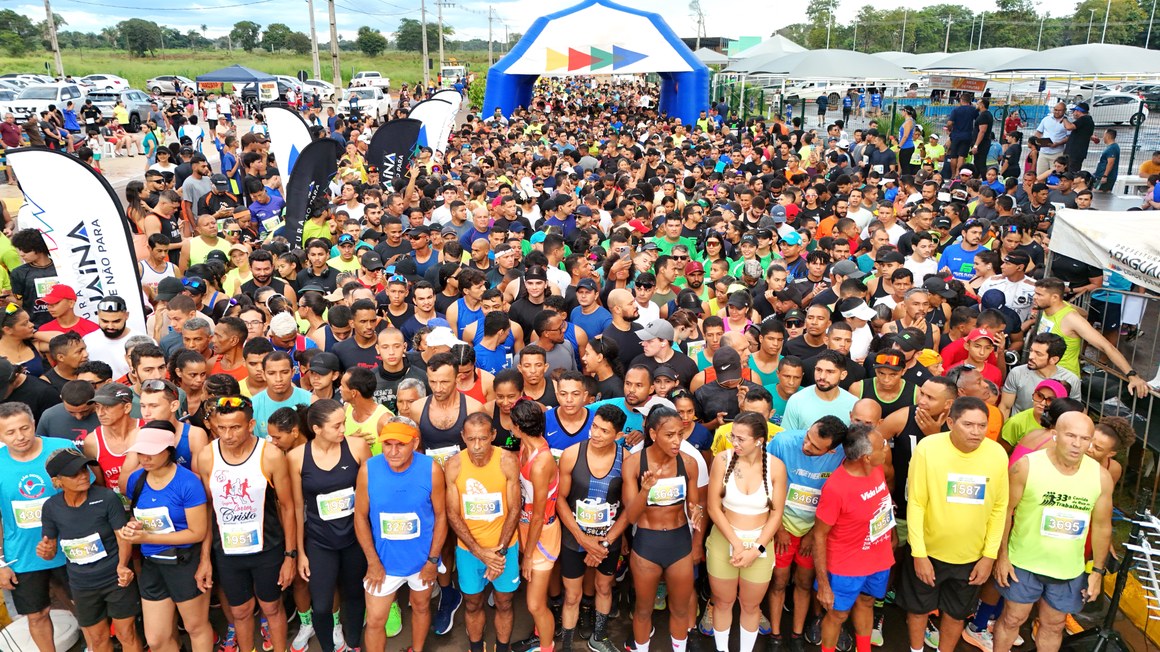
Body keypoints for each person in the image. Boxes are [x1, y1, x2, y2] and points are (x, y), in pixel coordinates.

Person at [992, 411, 1114, 652]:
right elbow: (1004, 511)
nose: (1077, 444)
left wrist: (1097, 571)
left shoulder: (1101, 477)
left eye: (1084, 438)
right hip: (1023, 562)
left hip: (1068, 567)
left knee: (1055, 624)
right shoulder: (1026, 467)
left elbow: (1102, 526)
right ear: (1055, 435)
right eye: (1070, 436)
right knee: (1012, 619)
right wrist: (1002, 556)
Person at [898, 397, 1009, 652]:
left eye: (982, 426)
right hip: (928, 552)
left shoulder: (997, 454)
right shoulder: (928, 448)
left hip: (971, 557)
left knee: (956, 614)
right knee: (918, 609)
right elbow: (916, 503)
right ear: (950, 422)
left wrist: (989, 556)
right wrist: (919, 553)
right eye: (968, 424)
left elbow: (998, 508)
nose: (976, 432)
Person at [197, 395, 298, 652]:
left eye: (235, 427)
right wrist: (205, 558)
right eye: (222, 428)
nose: (228, 435)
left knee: (271, 607)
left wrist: (290, 555)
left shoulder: (271, 454)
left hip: (267, 549)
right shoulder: (207, 456)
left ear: (251, 424)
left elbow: (287, 507)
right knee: (240, 611)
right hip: (228, 552)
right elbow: (208, 509)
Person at [355, 416, 446, 652]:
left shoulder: (431, 469)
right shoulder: (368, 469)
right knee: (375, 620)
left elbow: (441, 516)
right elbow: (360, 517)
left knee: (421, 607)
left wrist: (433, 560)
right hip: (382, 565)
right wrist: (373, 561)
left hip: (422, 562)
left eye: (401, 444)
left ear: (414, 444)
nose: (393, 451)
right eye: (388, 444)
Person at [119, 426, 214, 652]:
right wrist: (134, 527)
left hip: (184, 561)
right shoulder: (136, 480)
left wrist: (146, 537)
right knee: (156, 638)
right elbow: (136, 513)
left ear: (169, 450)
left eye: (151, 452)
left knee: (195, 627)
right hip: (152, 563)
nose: (145, 458)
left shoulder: (188, 482)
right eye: (140, 453)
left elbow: (197, 532)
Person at [39, 446, 143, 652]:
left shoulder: (106, 498)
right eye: (74, 474)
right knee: (97, 639)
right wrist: (45, 551)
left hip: (115, 580)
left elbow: (122, 536)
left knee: (126, 634)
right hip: (81, 585)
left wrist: (123, 566)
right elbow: (49, 551)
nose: (83, 476)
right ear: (57, 481)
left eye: (84, 470)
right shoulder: (51, 507)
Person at [288, 400, 371, 652]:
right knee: (322, 605)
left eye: (344, 423)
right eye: (336, 426)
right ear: (317, 428)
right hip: (319, 541)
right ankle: (328, 648)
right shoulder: (296, 457)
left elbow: (370, 495)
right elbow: (296, 507)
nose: (343, 430)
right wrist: (300, 553)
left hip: (355, 538)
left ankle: (354, 644)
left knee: (355, 595)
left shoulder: (357, 447)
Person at [621, 406, 704, 652]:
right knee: (644, 609)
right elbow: (632, 516)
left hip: (679, 543)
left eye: (680, 433)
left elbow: (693, 506)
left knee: (679, 609)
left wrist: (696, 512)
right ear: (654, 433)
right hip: (647, 543)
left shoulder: (689, 464)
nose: (677, 440)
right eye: (670, 435)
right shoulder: (635, 463)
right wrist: (645, 490)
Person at [706, 411, 788, 652]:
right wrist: (737, 543)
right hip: (724, 541)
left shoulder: (776, 467)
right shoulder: (722, 460)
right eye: (734, 437)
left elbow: (776, 514)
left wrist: (757, 549)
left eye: (742, 439)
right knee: (723, 601)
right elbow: (713, 507)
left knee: (751, 606)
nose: (735, 443)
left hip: (760, 544)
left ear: (759, 440)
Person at [767, 416, 850, 652]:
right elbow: (767, 484)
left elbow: (838, 499)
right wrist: (779, 527)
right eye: (807, 438)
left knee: (803, 583)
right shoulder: (783, 442)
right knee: (779, 581)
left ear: (832, 451)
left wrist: (814, 533)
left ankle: (796, 635)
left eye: (815, 447)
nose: (806, 446)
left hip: (814, 532)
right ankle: (775, 635)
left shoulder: (842, 457)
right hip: (782, 526)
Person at [0, 402, 76, 651]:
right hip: (23, 555)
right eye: (10, 432)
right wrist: (1, 563)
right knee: (37, 614)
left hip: (72, 547)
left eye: (24, 428)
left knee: (85, 608)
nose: (20, 437)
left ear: (34, 424)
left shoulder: (61, 448)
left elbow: (89, 490)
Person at [443, 412, 522, 652]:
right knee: (472, 603)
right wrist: (480, 552)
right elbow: (453, 514)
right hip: (469, 551)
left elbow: (515, 509)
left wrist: (498, 553)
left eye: (483, 439)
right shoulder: (454, 465)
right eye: (471, 439)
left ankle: (502, 646)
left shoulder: (507, 461)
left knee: (505, 602)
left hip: (504, 548)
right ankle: (476, 648)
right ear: (463, 437)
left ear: (493, 436)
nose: (477, 446)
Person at [813, 423, 892, 652]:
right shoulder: (836, 488)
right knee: (838, 615)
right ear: (866, 457)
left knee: (867, 602)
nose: (886, 449)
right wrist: (825, 585)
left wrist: (892, 533)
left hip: (878, 559)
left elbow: (884, 504)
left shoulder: (877, 469)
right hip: (845, 567)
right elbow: (819, 536)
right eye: (882, 446)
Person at [555, 404, 629, 652]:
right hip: (573, 540)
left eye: (604, 431)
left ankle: (598, 636)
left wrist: (605, 543)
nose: (595, 434)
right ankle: (566, 644)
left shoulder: (626, 460)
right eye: (594, 427)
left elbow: (629, 508)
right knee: (572, 595)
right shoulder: (572, 454)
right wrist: (582, 538)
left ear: (618, 435)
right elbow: (560, 500)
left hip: (609, 541)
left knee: (604, 588)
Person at [511, 398, 561, 652]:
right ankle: (539, 635)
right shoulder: (524, 445)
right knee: (536, 595)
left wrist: (528, 556)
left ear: (517, 426)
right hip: (526, 527)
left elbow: (540, 515)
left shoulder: (541, 462)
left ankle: (547, 647)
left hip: (542, 533)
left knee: (534, 604)